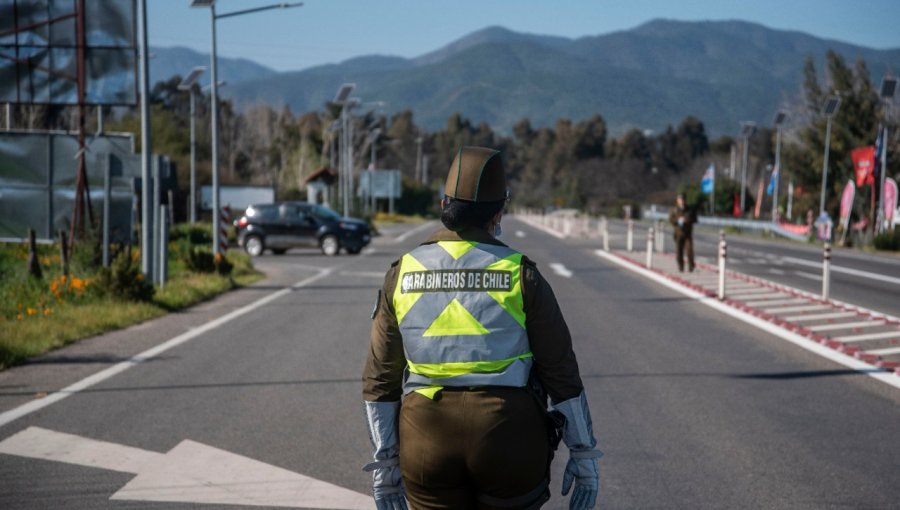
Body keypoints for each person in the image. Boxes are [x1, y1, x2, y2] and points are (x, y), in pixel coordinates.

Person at [362, 147, 602, 510]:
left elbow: (380, 378)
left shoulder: (402, 271)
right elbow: (560, 369)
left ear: (444, 205)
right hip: (508, 439)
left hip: (426, 442)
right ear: (498, 212)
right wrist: (583, 452)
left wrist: (385, 461)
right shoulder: (521, 273)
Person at [669, 193, 696, 272]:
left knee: (689, 250)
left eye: (683, 199)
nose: (682, 201)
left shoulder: (690, 209)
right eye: (680, 199)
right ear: (677, 200)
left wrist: (687, 220)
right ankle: (681, 266)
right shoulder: (674, 209)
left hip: (688, 233)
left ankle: (691, 266)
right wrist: (677, 220)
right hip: (678, 233)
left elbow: (695, 219)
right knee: (679, 251)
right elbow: (671, 220)